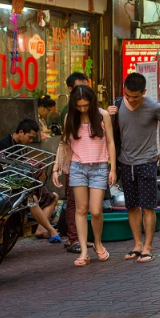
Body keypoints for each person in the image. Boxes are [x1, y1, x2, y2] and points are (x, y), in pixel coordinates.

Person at [108, 73, 160, 263]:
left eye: (135, 97)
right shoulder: (118, 105)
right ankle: (137, 245)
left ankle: (148, 247)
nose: (131, 100)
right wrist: (109, 114)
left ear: (144, 92)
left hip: (147, 162)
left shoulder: (154, 107)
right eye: (128, 95)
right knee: (132, 206)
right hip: (125, 162)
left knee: (148, 206)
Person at [52, 85, 116, 267]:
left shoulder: (102, 115)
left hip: (100, 167)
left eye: (86, 105)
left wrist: (112, 169)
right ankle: (84, 251)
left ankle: (97, 243)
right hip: (77, 167)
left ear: (92, 102)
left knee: (95, 211)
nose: (82, 109)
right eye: (79, 106)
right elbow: (64, 144)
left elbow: (111, 143)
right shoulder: (70, 117)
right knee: (80, 209)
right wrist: (56, 167)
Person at [0, 119, 61, 243]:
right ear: (21, 132)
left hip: (24, 182)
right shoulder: (5, 145)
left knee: (54, 196)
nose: (30, 141)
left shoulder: (21, 146)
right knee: (32, 199)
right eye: (29, 137)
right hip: (10, 186)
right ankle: (51, 230)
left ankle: (42, 229)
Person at [59, 72, 91, 254]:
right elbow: (64, 143)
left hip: (91, 162)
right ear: (70, 90)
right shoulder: (69, 111)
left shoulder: (89, 109)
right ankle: (74, 238)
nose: (83, 92)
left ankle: (81, 237)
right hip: (75, 162)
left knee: (85, 204)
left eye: (86, 88)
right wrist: (60, 165)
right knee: (74, 201)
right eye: (80, 88)